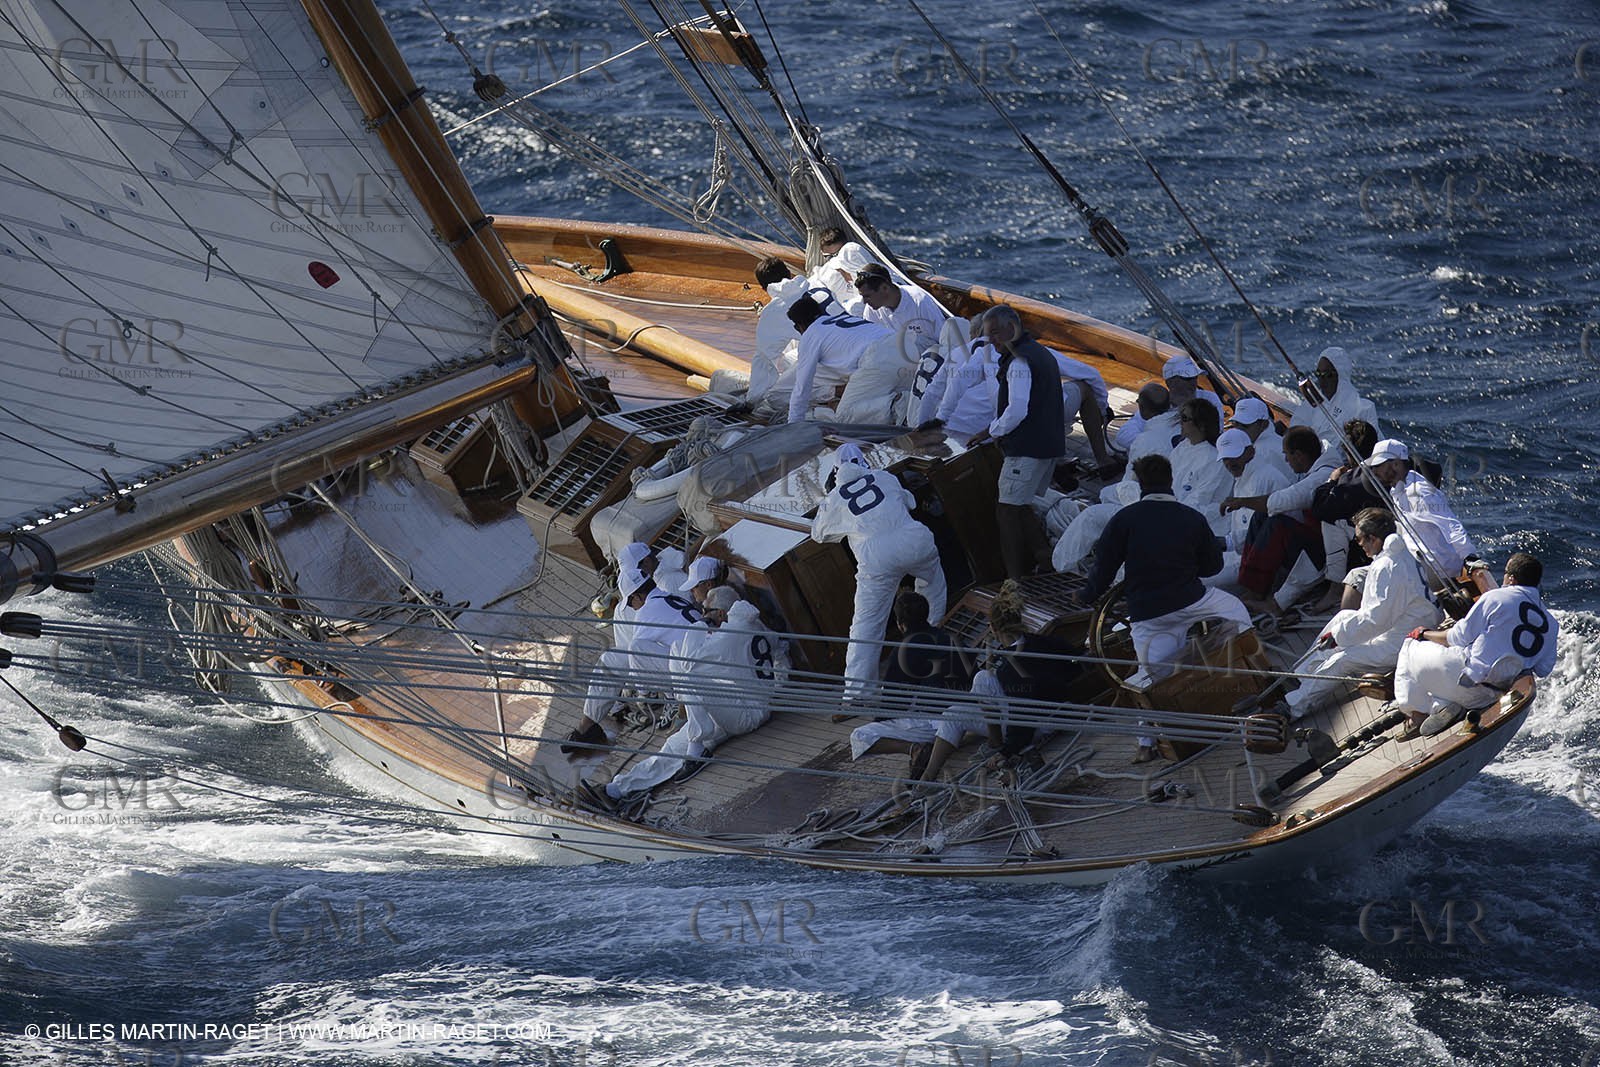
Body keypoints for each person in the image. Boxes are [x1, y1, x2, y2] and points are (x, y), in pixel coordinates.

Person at [582, 586, 780, 808]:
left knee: (689, 673)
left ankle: (697, 749)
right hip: (738, 706)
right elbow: (779, 646)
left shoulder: (728, 638)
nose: (703, 614)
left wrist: (700, 625)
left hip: (747, 715)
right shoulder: (752, 624)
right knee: (673, 746)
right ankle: (616, 790)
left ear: (721, 614)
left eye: (707, 611)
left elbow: (688, 664)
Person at [909, 580, 1087, 785]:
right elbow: (1076, 659)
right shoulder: (1041, 641)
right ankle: (929, 778)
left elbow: (1023, 714)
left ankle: (928, 779)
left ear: (992, 628)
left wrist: (1007, 751)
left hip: (1039, 726)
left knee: (975, 688)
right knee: (966, 698)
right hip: (1058, 710)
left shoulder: (1010, 667)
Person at [811, 448, 948, 700]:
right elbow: (910, 502)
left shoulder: (835, 498)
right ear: (864, 463)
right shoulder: (885, 478)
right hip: (915, 541)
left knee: (867, 625)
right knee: (932, 591)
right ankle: (931, 649)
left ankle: (857, 695)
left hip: (876, 558)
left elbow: (818, 535)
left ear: (836, 471)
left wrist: (832, 499)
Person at [1285, 508, 1439, 718]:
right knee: (1342, 617)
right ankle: (1301, 676)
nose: (1358, 544)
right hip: (1403, 626)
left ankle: (1293, 707)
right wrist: (1340, 633)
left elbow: (1377, 620)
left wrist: (1338, 637)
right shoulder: (1402, 553)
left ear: (1373, 539)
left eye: (1359, 539)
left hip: (1401, 643)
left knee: (1342, 659)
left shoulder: (1387, 565)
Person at [1391, 552, 1558, 736]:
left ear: (1511, 578)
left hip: (1462, 677)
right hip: (1489, 696)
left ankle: (1417, 714)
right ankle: (1445, 706)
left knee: (1409, 645)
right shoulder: (1552, 624)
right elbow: (1543, 669)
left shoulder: (1496, 598)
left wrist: (1424, 633)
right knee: (1451, 682)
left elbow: (1457, 637)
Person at [564, 558, 704, 760]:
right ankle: (587, 726)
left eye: (630, 601)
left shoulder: (647, 610)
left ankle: (669, 702)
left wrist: (641, 693)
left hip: (692, 670)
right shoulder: (668, 598)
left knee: (637, 650)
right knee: (610, 659)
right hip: (687, 658)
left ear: (638, 596)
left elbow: (637, 653)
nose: (631, 606)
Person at [966, 306, 1067, 579]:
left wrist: (993, 431)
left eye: (996, 333)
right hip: (1048, 446)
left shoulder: (1019, 362)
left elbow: (1017, 410)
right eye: (989, 336)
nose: (993, 341)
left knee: (1006, 510)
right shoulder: (1039, 352)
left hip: (1027, 450)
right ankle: (1044, 558)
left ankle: (1014, 580)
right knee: (1020, 504)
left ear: (1013, 327)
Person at [1224, 424, 1342, 612]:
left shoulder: (1320, 477)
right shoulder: (1321, 464)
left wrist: (1241, 502)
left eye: (1287, 455)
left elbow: (1283, 500)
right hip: (1315, 541)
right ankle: (1252, 585)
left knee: (1278, 525)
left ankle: (1262, 595)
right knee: (1262, 516)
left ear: (1299, 455)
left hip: (1322, 554)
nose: (1285, 460)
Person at [1364, 438, 1477, 578]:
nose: (1373, 471)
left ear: (1396, 464)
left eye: (1378, 465)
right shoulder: (1399, 489)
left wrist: (1469, 556)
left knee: (1358, 577)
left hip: (1436, 570)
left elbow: (1449, 524)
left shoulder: (1418, 492)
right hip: (1417, 564)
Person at [1205, 428, 1293, 594]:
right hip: (1242, 556)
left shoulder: (1265, 478)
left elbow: (1262, 533)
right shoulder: (1243, 478)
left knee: (1200, 582)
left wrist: (1225, 543)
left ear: (1250, 451)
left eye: (1235, 456)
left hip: (1260, 563)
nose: (1230, 463)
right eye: (1225, 458)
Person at [783, 295, 896, 424]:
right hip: (904, 346)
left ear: (801, 325)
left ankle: (895, 407)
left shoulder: (812, 333)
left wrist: (794, 423)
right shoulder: (841, 319)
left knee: (845, 415)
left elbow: (802, 387)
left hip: (876, 357)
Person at [1116, 355, 1223, 449]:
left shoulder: (1210, 399)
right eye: (1187, 378)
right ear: (1170, 382)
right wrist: (1160, 445)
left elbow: (1216, 431)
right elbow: (1123, 435)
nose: (1193, 383)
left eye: (1194, 377)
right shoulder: (1159, 403)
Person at [1290, 346, 1381, 447]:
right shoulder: (1310, 405)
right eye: (1318, 374)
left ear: (1341, 374)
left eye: (1328, 374)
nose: (1322, 380)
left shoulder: (1364, 409)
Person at [749, 256, 811, 402]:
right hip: (851, 348)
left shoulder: (773, 311)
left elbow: (765, 359)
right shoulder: (815, 286)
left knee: (773, 397)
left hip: (827, 366)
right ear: (790, 274)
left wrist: (752, 401)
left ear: (764, 289)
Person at [1227, 397, 1292, 477]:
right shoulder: (1272, 440)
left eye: (1245, 426)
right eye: (1236, 423)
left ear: (1263, 424)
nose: (1239, 430)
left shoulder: (1263, 454)